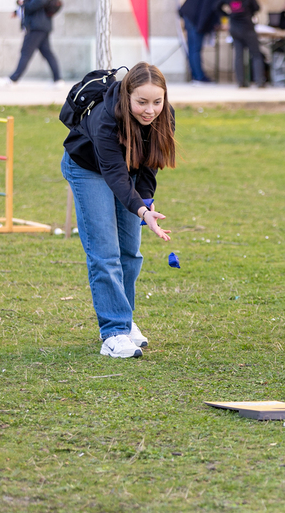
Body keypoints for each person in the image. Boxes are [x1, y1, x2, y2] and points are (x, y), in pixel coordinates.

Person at [61, 62, 176, 359]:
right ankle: (113, 332)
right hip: (88, 169)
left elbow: (151, 162)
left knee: (130, 252)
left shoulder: (165, 115)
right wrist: (142, 210)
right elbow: (114, 174)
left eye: (157, 102)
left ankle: (124, 319)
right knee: (105, 251)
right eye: (142, 102)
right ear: (127, 96)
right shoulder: (106, 118)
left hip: (127, 171)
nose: (150, 110)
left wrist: (146, 201)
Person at [2, 0, 63, 87]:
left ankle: (13, 79)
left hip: (36, 24)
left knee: (26, 52)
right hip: (41, 23)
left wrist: (25, 6)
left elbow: (40, 0)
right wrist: (18, 10)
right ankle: (58, 80)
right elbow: (36, 0)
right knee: (47, 52)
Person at [217, 0, 264, 88]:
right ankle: (259, 81)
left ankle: (240, 81)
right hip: (247, 27)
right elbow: (257, 7)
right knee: (256, 54)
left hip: (234, 27)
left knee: (238, 55)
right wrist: (249, 12)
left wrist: (229, 15)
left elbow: (216, 6)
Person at [178, 0, 228, 83]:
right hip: (195, 21)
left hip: (188, 17)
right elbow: (207, 9)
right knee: (195, 49)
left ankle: (195, 75)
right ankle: (199, 76)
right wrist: (201, 27)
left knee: (192, 49)